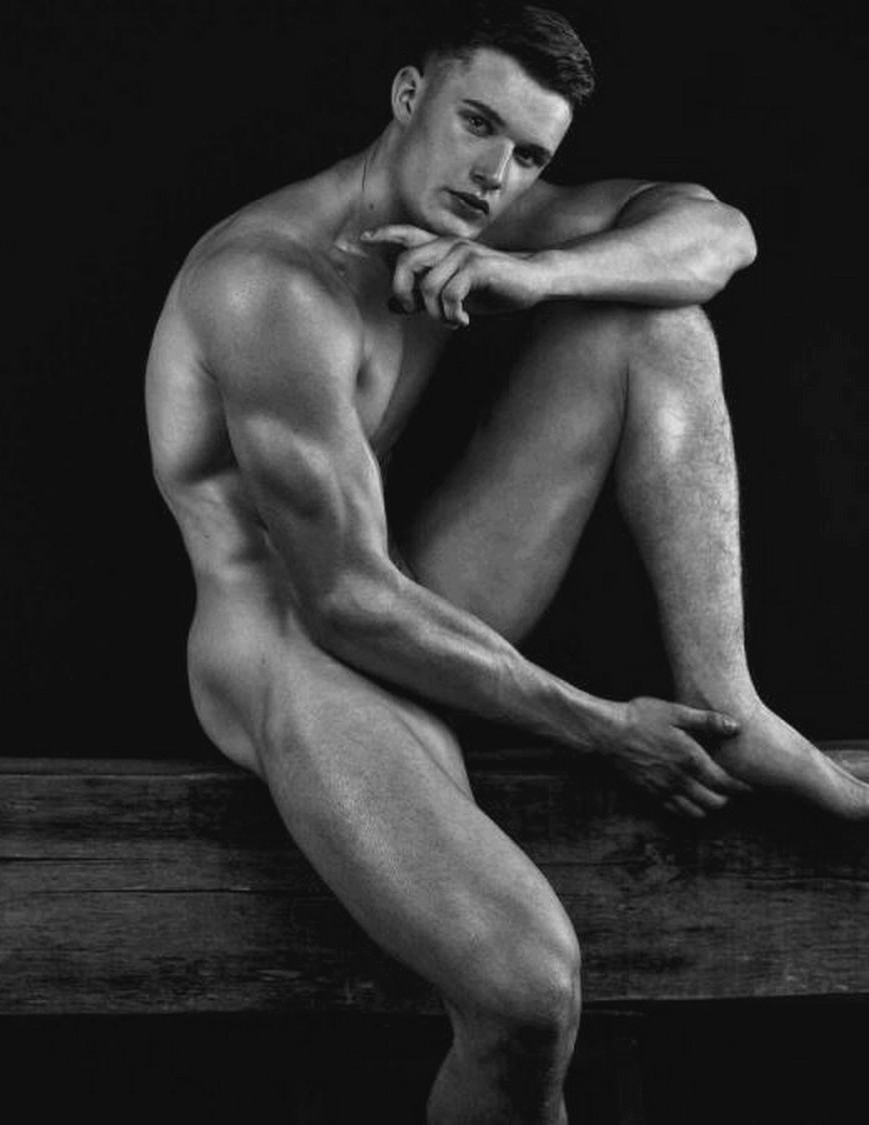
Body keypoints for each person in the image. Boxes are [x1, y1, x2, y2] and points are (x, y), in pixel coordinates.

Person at [145, 3, 869, 1120]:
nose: (496, 174)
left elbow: (722, 236)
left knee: (653, 318)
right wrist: (601, 725)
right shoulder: (271, 282)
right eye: (477, 123)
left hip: (406, 591)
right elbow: (341, 600)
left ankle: (732, 701)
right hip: (291, 646)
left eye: (529, 153)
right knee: (529, 996)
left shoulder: (482, 217)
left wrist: (539, 278)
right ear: (408, 96)